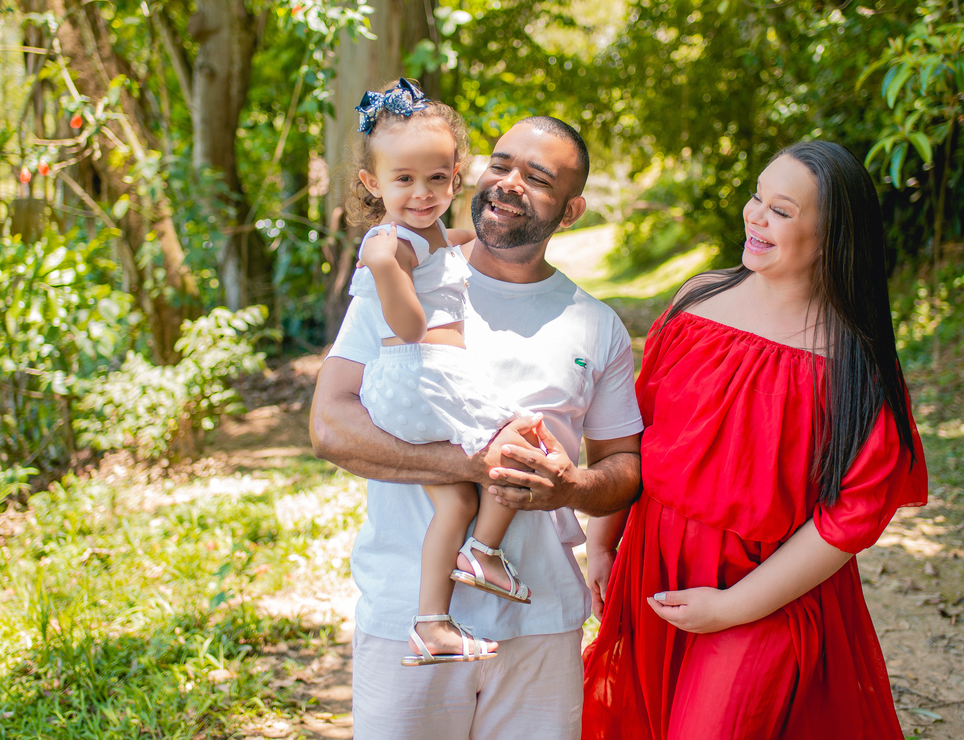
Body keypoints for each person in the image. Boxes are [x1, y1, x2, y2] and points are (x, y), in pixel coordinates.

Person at [310, 113, 644, 739]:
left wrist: (570, 488)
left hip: (541, 620)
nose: (510, 182)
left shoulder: (597, 325)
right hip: (404, 613)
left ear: (569, 212)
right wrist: (473, 463)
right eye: (501, 164)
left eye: (537, 178)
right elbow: (330, 425)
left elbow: (624, 467)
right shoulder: (406, 274)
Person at [581, 140, 928, 740]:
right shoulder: (698, 301)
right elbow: (636, 433)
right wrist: (603, 540)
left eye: (782, 210)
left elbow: (851, 517)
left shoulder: (854, 360)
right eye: (757, 197)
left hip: (767, 593)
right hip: (657, 565)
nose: (756, 216)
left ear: (832, 237)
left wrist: (733, 607)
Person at [345, 79, 544, 667]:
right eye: (403, 179)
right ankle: (483, 552)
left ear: (456, 177)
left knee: (455, 501)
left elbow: (449, 245)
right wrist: (385, 270)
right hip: (423, 377)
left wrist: (482, 237)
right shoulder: (391, 246)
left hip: (409, 389)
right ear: (372, 183)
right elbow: (408, 326)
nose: (421, 193)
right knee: (522, 439)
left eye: (436, 178)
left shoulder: (425, 232)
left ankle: (431, 624)